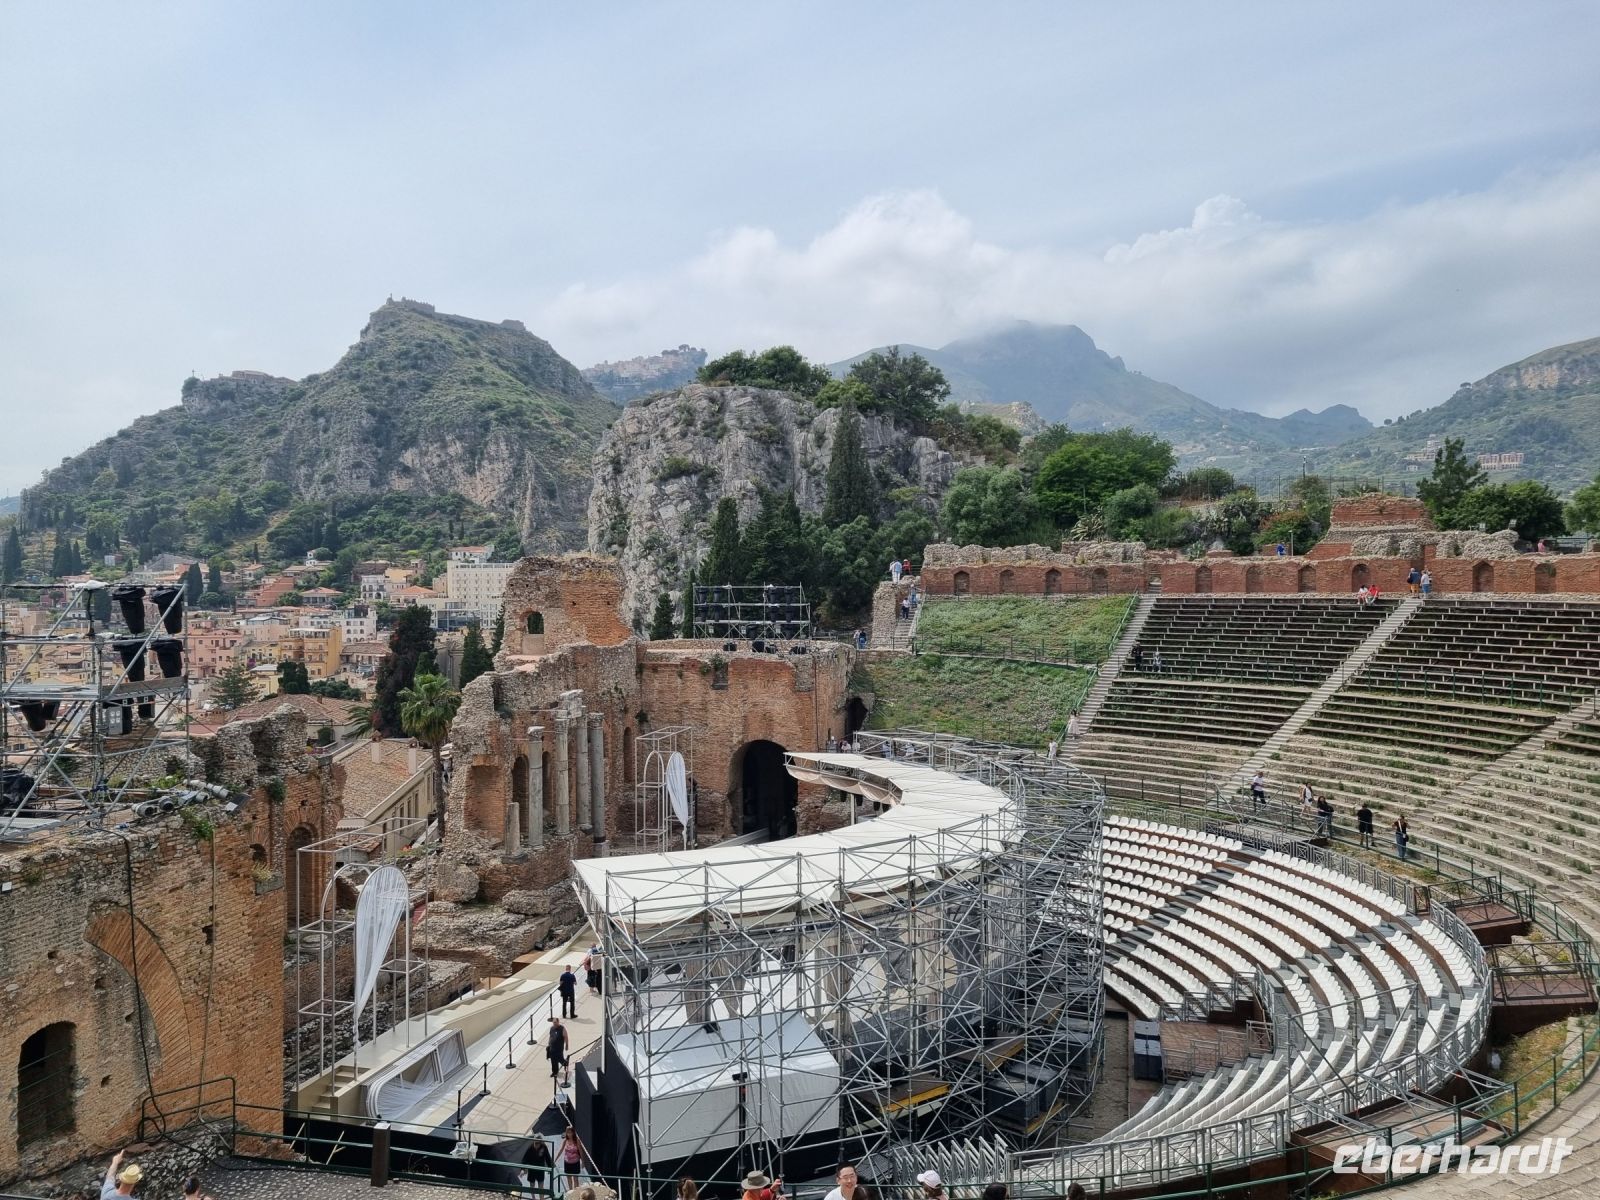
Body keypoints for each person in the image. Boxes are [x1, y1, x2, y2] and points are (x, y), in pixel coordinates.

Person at [546, 1016, 569, 1085]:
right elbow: (551, 1036)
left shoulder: (562, 1028)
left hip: (559, 1048)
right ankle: (555, 1072)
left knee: (560, 1059)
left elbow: (566, 1037)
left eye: (555, 1022)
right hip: (552, 1048)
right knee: (553, 1060)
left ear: (558, 1022)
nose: (554, 1024)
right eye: (553, 1022)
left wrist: (567, 1045)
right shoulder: (552, 1028)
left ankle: (565, 1063)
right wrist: (549, 1043)